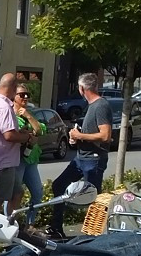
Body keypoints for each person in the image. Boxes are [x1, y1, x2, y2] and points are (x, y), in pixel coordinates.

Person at [47, 72, 113, 239]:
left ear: (82, 88)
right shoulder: (90, 106)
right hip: (81, 158)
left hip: (94, 159)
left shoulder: (100, 105)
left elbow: (105, 135)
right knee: (59, 186)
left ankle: (94, 236)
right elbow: (92, 133)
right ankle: (56, 228)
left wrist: (80, 136)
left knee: (93, 198)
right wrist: (76, 136)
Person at [0, 72, 32, 212]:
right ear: (14, 88)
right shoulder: (3, 107)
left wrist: (19, 133)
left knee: (17, 193)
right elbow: (8, 135)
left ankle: (8, 225)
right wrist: (26, 137)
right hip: (2, 163)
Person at [14, 85, 47, 230]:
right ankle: (8, 225)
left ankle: (29, 224)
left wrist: (28, 115)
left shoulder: (30, 113)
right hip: (17, 160)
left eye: (27, 95)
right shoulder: (10, 114)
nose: (25, 97)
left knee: (37, 193)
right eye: (22, 95)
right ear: (14, 96)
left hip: (31, 160)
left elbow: (39, 131)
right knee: (14, 194)